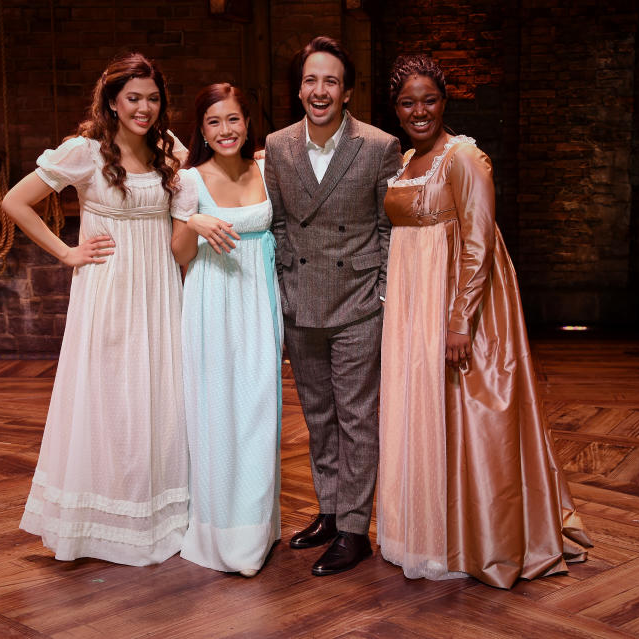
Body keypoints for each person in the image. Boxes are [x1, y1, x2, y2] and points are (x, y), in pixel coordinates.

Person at [377, 55, 592, 588]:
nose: (419, 110)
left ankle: (475, 538)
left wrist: (458, 322)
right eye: (408, 102)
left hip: (452, 303)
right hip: (410, 303)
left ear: (445, 101)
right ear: (395, 108)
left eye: (429, 99)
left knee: (464, 419)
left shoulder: (464, 156)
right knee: (417, 414)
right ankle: (418, 529)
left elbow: (478, 244)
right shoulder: (405, 161)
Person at [2, 53, 190, 566]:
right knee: (112, 399)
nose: (144, 108)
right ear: (112, 100)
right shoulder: (84, 153)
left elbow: (186, 218)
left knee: (161, 395)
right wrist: (66, 252)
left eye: (153, 99)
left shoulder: (171, 151)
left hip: (161, 290)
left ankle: (160, 514)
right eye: (134, 98)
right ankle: (104, 521)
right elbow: (15, 202)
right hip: (110, 290)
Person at [264, 36, 403, 576]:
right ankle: (327, 510)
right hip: (301, 299)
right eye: (310, 80)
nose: (319, 91)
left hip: (358, 301)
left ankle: (353, 528)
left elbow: (389, 227)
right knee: (318, 415)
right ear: (299, 89)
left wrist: (384, 292)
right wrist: (281, 289)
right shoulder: (277, 146)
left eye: (331, 82)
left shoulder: (378, 146)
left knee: (357, 417)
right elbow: (277, 223)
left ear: (346, 92)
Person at [170, 83, 282, 578]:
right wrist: (194, 222)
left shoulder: (267, 168)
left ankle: (257, 529)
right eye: (213, 122)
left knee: (261, 411)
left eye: (232, 119)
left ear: (247, 122)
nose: (224, 131)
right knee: (216, 413)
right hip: (212, 302)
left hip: (260, 300)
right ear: (202, 129)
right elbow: (179, 254)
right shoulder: (190, 180)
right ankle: (218, 531)